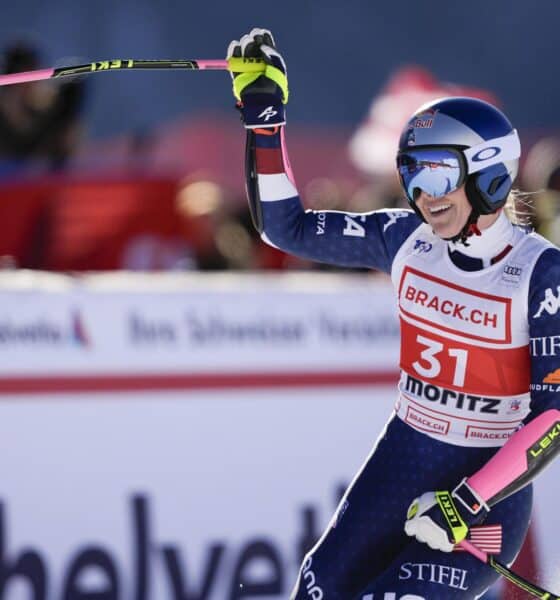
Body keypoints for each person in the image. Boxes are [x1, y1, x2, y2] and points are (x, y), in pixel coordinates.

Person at [226, 28, 560, 599]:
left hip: (483, 501)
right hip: (401, 461)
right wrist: (264, 124)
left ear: (489, 173)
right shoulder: (403, 236)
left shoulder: (541, 273)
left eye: (438, 173)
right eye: (413, 174)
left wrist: (466, 502)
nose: (424, 194)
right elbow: (287, 228)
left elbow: (552, 416)